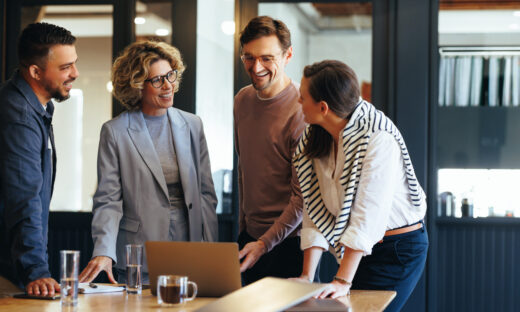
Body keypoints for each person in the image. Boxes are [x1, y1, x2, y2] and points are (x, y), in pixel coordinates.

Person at [293, 60, 428, 312]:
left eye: (302, 98)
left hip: (398, 250)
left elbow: (368, 216)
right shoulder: (316, 136)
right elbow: (313, 206)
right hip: (359, 250)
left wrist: (342, 280)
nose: (298, 103)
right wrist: (306, 277)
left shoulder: (378, 138)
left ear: (323, 107)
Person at [79, 41, 218, 284]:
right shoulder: (115, 131)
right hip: (139, 254)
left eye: (170, 76)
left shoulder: (192, 125)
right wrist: (103, 250)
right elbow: (108, 200)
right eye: (157, 80)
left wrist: (210, 251)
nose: (168, 86)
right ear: (136, 86)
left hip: (190, 251)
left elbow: (206, 195)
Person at [0, 22, 79, 297]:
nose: (75, 74)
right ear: (35, 71)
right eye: (65, 67)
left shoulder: (35, 107)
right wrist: (36, 270)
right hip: (8, 271)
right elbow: (25, 196)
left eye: (74, 64)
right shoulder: (19, 116)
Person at [234, 16, 306, 285]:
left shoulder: (302, 110)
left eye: (267, 58)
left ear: (288, 55)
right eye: (249, 58)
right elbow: (245, 169)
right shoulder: (242, 100)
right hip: (249, 239)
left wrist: (265, 243)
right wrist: (244, 232)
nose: (256, 67)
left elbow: (302, 198)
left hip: (290, 245)